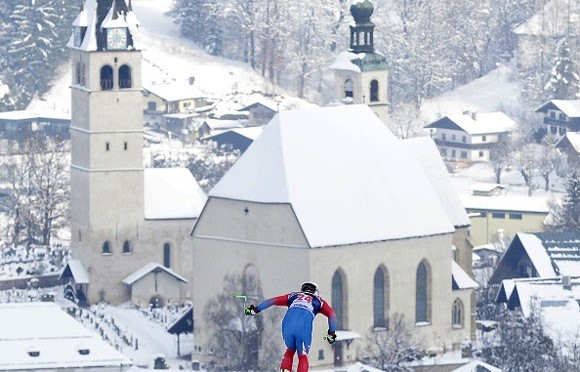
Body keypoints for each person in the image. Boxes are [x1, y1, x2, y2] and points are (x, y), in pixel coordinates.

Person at [245, 281, 337, 372]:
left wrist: (255, 310)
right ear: (315, 292)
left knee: (290, 351)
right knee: (302, 355)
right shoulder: (319, 301)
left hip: (287, 325)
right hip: (303, 326)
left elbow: (272, 301)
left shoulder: (293, 296)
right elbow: (332, 315)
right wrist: (331, 334)